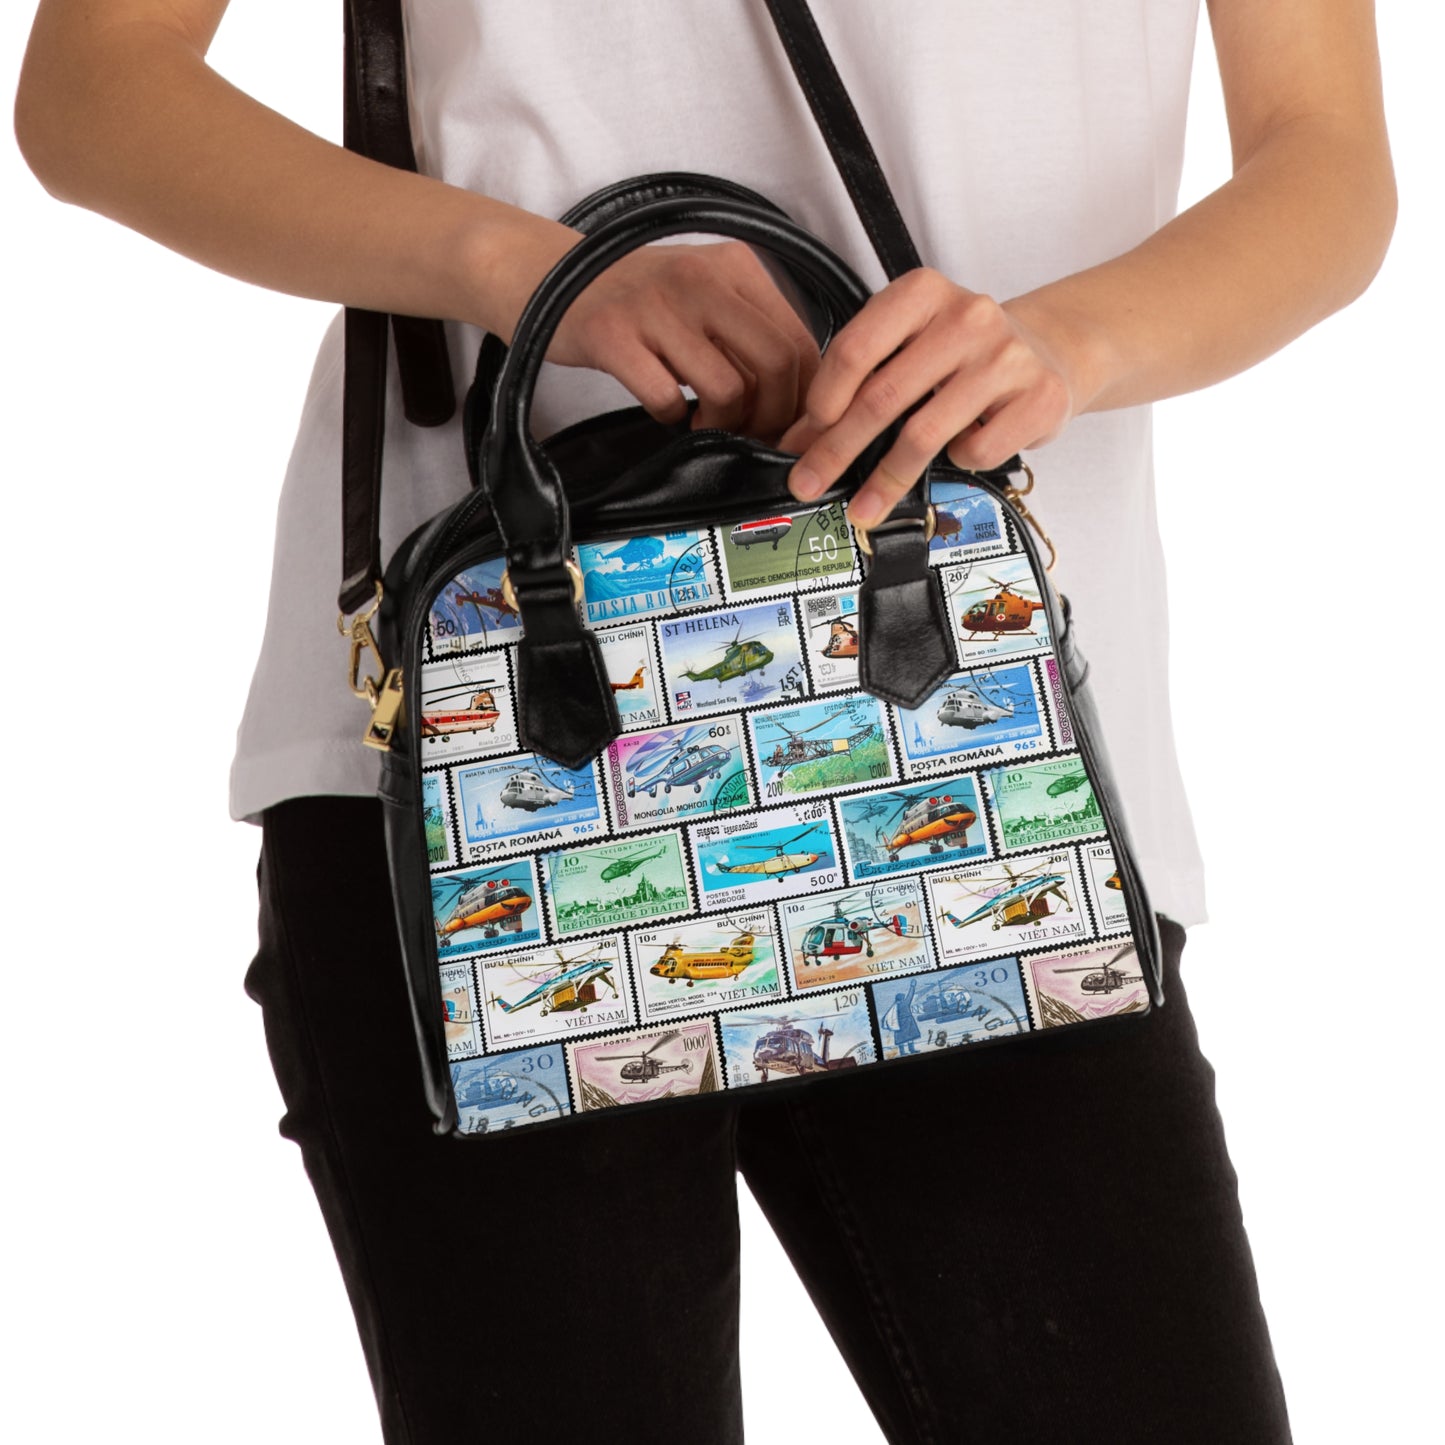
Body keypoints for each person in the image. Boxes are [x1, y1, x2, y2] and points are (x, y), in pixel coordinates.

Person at [15, 2, 1393, 1441]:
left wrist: (1064, 341)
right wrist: (521, 266)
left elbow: (1325, 157)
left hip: (978, 767)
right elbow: (96, 90)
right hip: (475, 786)